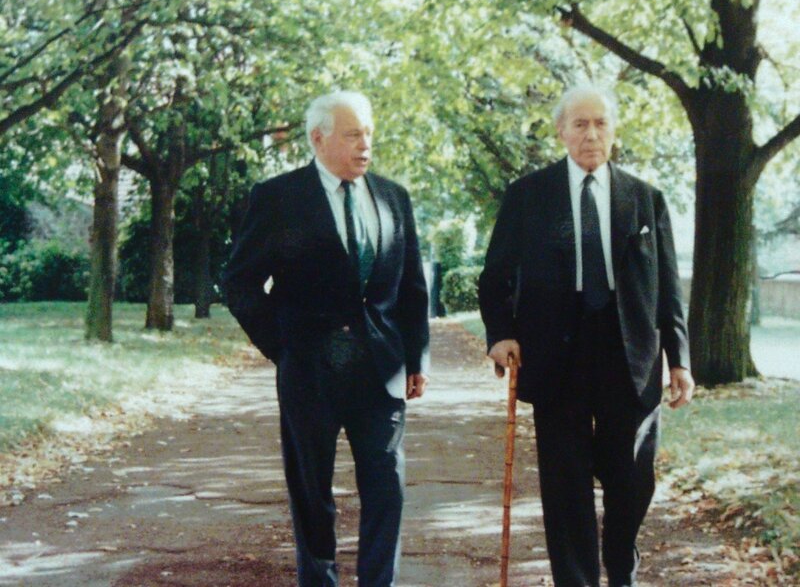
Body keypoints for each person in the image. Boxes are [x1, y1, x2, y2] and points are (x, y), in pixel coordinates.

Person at [479, 84, 695, 587]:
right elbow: (495, 277)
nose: (591, 134)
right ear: (561, 132)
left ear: (613, 131)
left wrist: (679, 360)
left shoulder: (646, 199)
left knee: (633, 477)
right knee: (566, 481)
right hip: (556, 352)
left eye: (600, 123)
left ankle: (620, 564)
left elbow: (668, 289)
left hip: (631, 354)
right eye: (580, 124)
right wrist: (500, 334)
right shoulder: (528, 196)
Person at [224, 90, 430, 587]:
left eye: (369, 134)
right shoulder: (277, 198)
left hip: (381, 369)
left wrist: (417, 357)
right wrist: (284, 346)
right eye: (353, 134)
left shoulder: (392, 197)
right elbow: (240, 282)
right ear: (318, 139)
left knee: (387, 488)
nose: (365, 145)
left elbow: (411, 286)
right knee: (312, 494)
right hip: (310, 372)